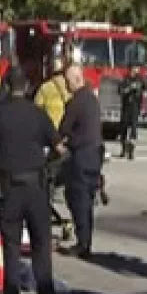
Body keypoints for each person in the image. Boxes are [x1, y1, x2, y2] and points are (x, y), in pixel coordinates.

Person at [0, 67, 65, 294]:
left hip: (9, 188)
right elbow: (60, 149)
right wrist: (48, 167)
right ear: (28, 87)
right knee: (41, 243)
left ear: (7, 87)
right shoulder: (38, 115)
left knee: (11, 245)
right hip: (37, 187)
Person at [59, 65, 103, 259]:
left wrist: (57, 142)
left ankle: (83, 244)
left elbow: (63, 129)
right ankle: (86, 241)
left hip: (81, 156)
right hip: (95, 155)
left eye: (67, 81)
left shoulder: (76, 102)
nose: (66, 85)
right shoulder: (92, 99)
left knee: (78, 198)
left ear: (77, 80)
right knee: (87, 199)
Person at [118, 64, 147, 160]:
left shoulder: (141, 79)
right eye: (136, 68)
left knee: (134, 129)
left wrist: (145, 107)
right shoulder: (125, 79)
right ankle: (123, 149)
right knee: (124, 128)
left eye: (138, 68)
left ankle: (131, 151)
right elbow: (120, 91)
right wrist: (129, 88)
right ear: (131, 69)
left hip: (135, 107)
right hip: (126, 106)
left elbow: (146, 91)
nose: (137, 69)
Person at [33, 57, 70, 129]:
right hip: (66, 129)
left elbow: (36, 110)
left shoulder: (45, 87)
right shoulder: (70, 87)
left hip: (50, 130)